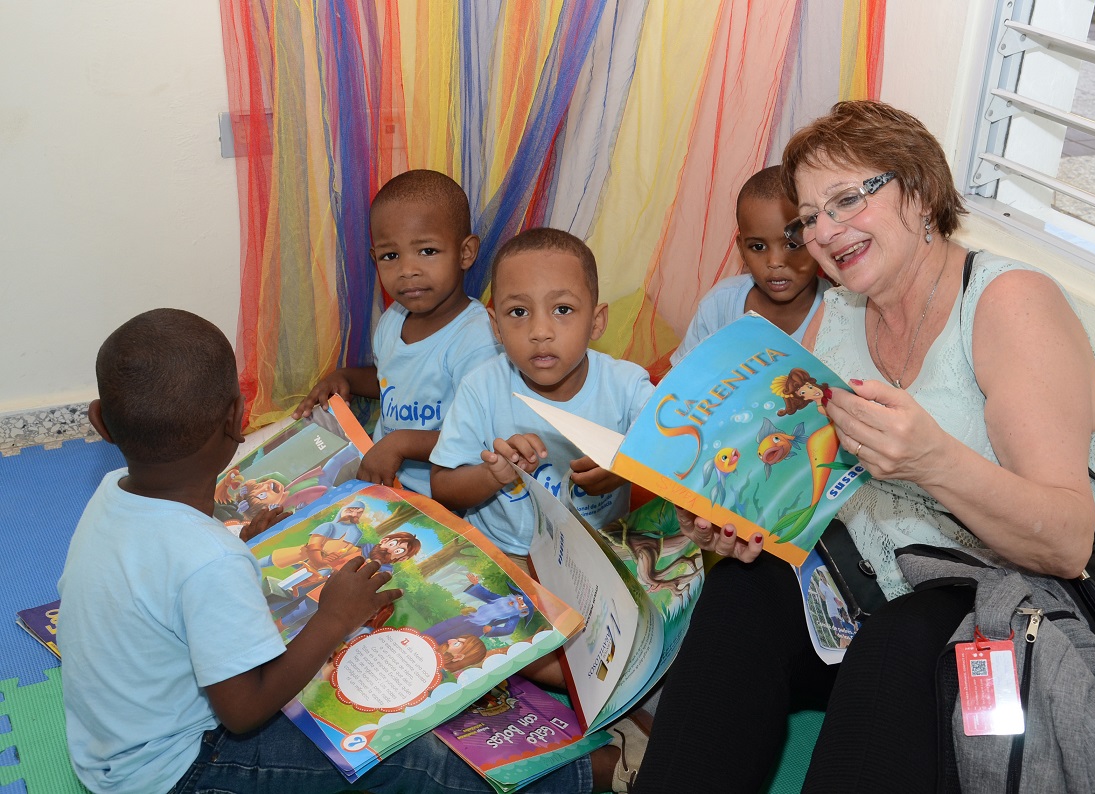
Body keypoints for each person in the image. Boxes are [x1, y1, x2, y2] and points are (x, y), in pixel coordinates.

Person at [633, 100, 1095, 793]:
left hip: (1003, 591)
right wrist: (735, 515)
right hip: (867, 579)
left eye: (847, 200)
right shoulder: (837, 314)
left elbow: (1068, 544)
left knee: (903, 640)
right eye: (810, 217)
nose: (824, 233)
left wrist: (934, 460)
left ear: (919, 192)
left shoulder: (1008, 304)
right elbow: (797, 477)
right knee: (744, 591)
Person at [58, 308, 616, 794]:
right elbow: (244, 712)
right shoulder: (208, 560)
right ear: (237, 417)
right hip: (184, 773)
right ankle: (587, 776)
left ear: (99, 422)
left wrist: (244, 542)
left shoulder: (108, 498)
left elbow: (163, 567)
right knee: (394, 756)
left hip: (105, 752)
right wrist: (334, 618)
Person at [429, 228, 654, 561]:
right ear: (496, 327)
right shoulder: (481, 387)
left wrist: (626, 465)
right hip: (505, 550)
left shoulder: (627, 385)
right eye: (519, 312)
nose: (540, 332)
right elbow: (442, 486)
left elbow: (676, 450)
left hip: (599, 548)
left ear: (596, 322)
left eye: (562, 309)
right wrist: (493, 474)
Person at [293, 169, 501, 495]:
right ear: (375, 259)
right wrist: (345, 377)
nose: (407, 270)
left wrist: (400, 443)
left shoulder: (476, 338)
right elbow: (394, 382)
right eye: (391, 256)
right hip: (385, 479)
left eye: (427, 251)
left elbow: (482, 436)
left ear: (465, 253)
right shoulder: (393, 319)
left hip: (447, 496)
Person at [670, 165, 830, 365]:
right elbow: (681, 379)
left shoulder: (839, 313)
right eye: (758, 246)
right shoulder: (720, 305)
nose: (774, 262)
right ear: (741, 249)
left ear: (817, 237)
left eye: (791, 244)